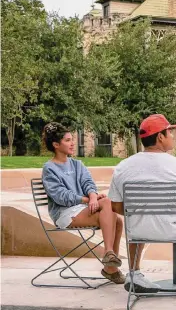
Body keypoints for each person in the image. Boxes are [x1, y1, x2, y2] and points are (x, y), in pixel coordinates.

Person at [108, 114, 176, 295]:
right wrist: (171, 214)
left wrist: (142, 211)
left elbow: (117, 207)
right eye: (169, 132)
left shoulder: (123, 166)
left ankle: (134, 273)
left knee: (137, 218)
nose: (172, 136)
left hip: (138, 231)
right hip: (173, 230)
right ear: (160, 137)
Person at [41, 122, 125, 284]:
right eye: (67, 140)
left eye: (72, 139)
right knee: (109, 207)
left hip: (82, 208)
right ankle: (109, 255)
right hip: (65, 213)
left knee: (118, 220)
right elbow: (60, 196)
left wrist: (93, 196)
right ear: (56, 145)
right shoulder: (49, 168)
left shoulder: (77, 164)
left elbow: (88, 183)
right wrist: (87, 199)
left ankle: (110, 267)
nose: (72, 143)